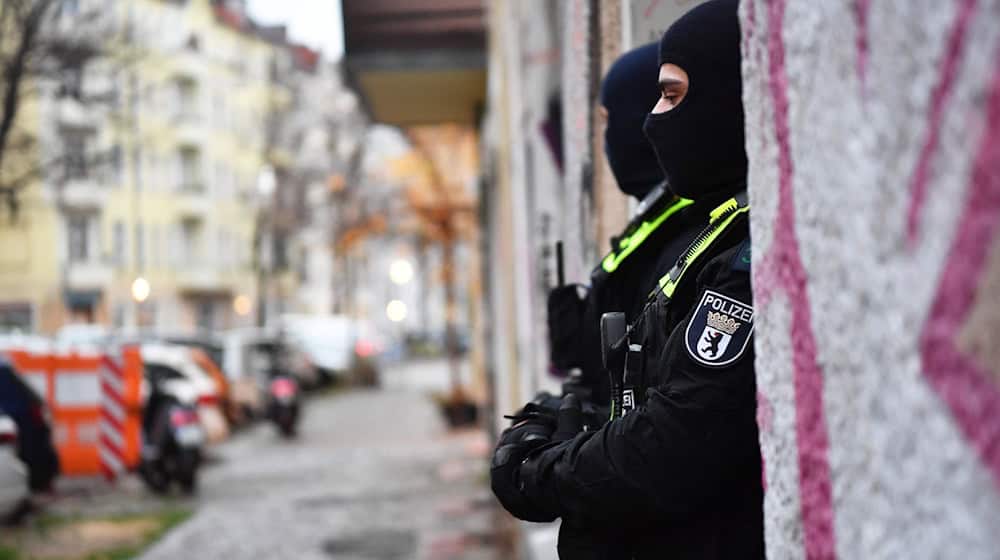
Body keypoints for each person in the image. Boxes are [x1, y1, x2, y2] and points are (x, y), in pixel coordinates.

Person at [490, 1, 764, 558]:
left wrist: (544, 472)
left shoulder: (744, 248)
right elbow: (651, 393)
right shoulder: (714, 228)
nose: (648, 121)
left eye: (672, 96)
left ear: (729, 96)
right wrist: (568, 421)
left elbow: (675, 444)